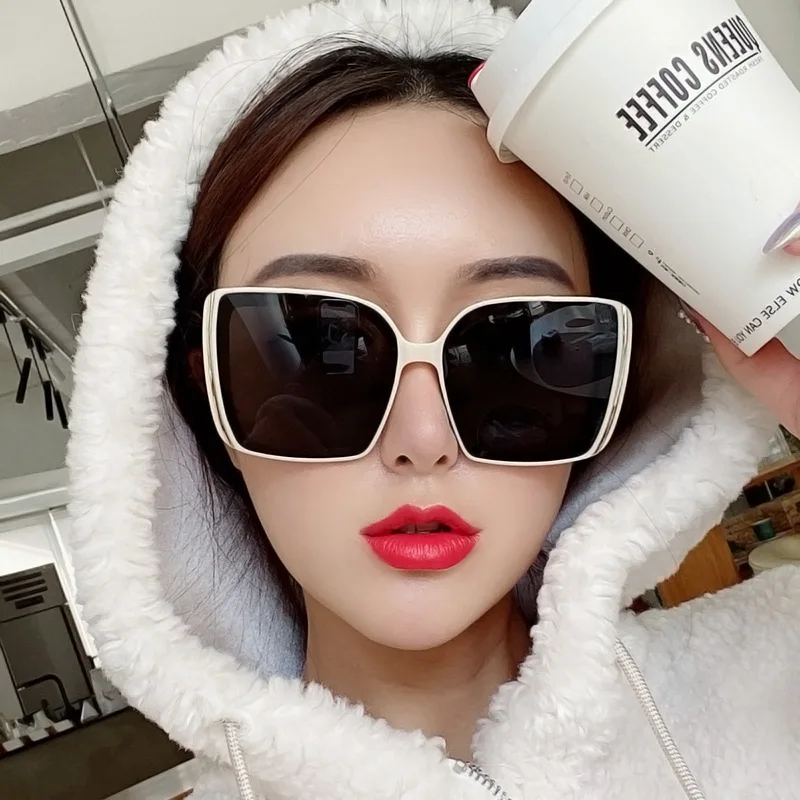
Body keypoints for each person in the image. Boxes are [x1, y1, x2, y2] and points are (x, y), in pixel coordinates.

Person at [65, 1, 800, 798]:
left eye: (517, 348)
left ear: (627, 377)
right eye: (319, 349)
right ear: (210, 393)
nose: (423, 438)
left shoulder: (779, 691)